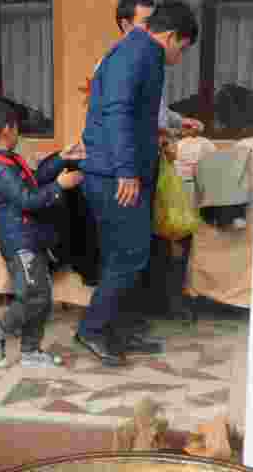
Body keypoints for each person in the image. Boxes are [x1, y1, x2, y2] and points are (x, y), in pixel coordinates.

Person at [76, 0, 199, 367]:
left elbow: (137, 115)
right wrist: (127, 171)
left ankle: (118, 328)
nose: (181, 56)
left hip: (120, 171)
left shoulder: (141, 52)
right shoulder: (138, 53)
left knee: (125, 255)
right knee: (129, 255)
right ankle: (93, 329)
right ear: (173, 36)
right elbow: (118, 112)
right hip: (116, 176)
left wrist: (165, 132)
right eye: (184, 48)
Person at [0, 99, 84, 369]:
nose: (18, 131)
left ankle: (31, 351)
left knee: (41, 297)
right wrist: (59, 186)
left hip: (31, 237)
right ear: (5, 129)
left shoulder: (6, 159)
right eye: (16, 126)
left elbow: (34, 180)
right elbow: (27, 199)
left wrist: (62, 158)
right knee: (33, 296)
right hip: (20, 241)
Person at [114, 0, 205, 135]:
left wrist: (179, 121)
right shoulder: (119, 64)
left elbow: (155, 109)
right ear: (126, 26)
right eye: (145, 22)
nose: (151, 28)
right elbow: (118, 122)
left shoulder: (152, 64)